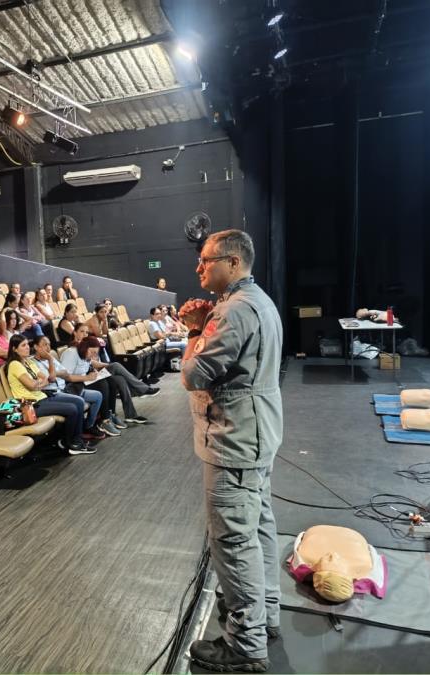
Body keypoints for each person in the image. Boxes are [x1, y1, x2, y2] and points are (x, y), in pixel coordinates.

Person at [183, 230, 283, 673]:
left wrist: (193, 329)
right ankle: (266, 616)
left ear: (234, 263)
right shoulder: (255, 301)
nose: (199, 268)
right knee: (258, 525)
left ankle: (245, 645)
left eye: (206, 260)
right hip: (255, 434)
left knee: (233, 541)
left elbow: (194, 373)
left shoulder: (234, 311)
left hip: (234, 440)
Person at [5, 334, 92, 455]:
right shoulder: (15, 365)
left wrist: (50, 359)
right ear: (14, 349)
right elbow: (32, 385)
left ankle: (77, 440)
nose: (27, 348)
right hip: (31, 404)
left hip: (43, 396)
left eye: (27, 345)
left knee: (78, 402)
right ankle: (70, 443)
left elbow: (48, 379)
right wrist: (40, 383)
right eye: (23, 345)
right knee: (72, 409)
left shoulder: (28, 362)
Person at [30, 335, 115, 440]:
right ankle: (75, 437)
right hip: (53, 392)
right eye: (44, 345)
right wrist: (52, 366)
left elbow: (65, 372)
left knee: (98, 396)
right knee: (79, 401)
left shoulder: (51, 358)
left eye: (49, 345)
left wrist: (55, 372)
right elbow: (50, 378)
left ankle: (88, 426)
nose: (48, 348)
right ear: (36, 347)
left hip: (65, 388)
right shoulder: (34, 363)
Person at [62, 334, 146, 427]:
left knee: (116, 380)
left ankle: (112, 415)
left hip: (85, 380)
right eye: (92, 352)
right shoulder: (71, 353)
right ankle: (105, 419)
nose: (94, 355)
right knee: (104, 383)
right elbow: (66, 377)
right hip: (74, 386)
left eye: (95, 353)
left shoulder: (85, 353)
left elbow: (91, 364)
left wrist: (106, 366)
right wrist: (87, 377)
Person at [288, 525, 386, 602]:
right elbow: (371, 551)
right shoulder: (365, 566)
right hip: (350, 535)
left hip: (324, 532)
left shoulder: (306, 557)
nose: (332, 556)